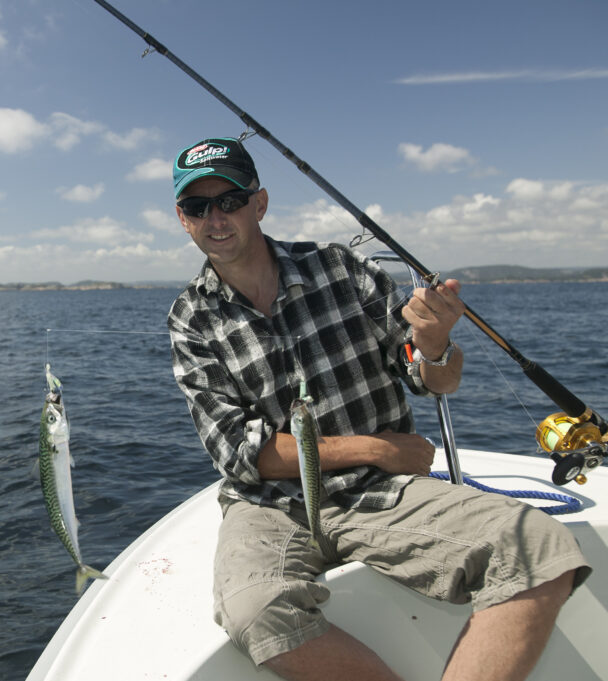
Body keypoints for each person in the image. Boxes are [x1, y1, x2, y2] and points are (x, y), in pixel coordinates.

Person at [166, 137, 591, 681]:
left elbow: (435, 379)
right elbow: (239, 452)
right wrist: (378, 447)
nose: (215, 219)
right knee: (255, 610)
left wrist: (434, 342)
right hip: (271, 505)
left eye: (228, 200)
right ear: (183, 219)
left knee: (537, 548)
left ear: (260, 203)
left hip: (377, 492)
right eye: (197, 207)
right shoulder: (189, 318)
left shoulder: (339, 267)